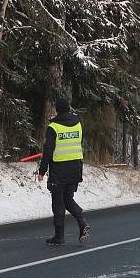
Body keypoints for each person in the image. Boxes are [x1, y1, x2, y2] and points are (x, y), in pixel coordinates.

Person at [37, 97, 90, 245]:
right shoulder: (78, 123)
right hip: (75, 168)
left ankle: (59, 237)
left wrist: (42, 171)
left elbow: (48, 151)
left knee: (58, 203)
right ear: (68, 108)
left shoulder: (53, 126)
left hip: (59, 170)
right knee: (68, 199)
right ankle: (82, 222)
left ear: (57, 109)